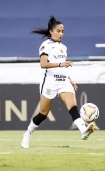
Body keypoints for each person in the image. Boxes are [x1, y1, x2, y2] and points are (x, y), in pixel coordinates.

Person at [21, 16, 97, 149]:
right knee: (43, 114)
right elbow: (43, 64)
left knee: (73, 107)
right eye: (58, 31)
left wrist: (69, 79)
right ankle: (27, 134)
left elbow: (62, 68)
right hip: (49, 82)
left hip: (63, 82)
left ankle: (83, 131)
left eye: (63, 31)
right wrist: (62, 64)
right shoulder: (46, 45)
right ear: (51, 31)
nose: (61, 34)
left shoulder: (64, 47)